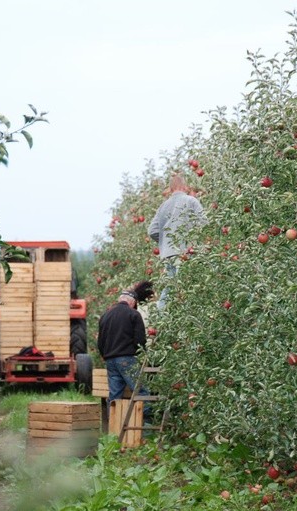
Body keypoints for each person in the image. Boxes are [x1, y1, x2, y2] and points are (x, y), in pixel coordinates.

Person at [147, 173, 206, 308]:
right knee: (187, 287)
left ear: (171, 189)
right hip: (186, 253)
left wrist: (165, 242)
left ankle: (160, 318)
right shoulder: (191, 201)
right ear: (184, 186)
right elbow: (204, 223)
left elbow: (152, 231)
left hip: (168, 254)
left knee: (170, 287)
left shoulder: (163, 206)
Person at [97, 282, 154, 418]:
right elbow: (140, 340)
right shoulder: (133, 314)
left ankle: (113, 430)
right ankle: (144, 428)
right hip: (127, 358)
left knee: (114, 396)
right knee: (141, 393)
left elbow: (100, 341)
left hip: (110, 360)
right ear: (133, 302)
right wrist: (141, 356)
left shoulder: (105, 315)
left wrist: (105, 356)